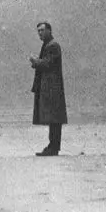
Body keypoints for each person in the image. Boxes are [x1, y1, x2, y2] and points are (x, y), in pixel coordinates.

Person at [30, 21, 67, 156]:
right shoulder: (48, 45)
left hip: (52, 87)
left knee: (54, 119)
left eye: (42, 30)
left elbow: (48, 64)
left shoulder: (53, 45)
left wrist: (35, 61)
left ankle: (53, 147)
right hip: (50, 87)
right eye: (38, 31)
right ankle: (53, 146)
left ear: (49, 31)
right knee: (53, 118)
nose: (40, 33)